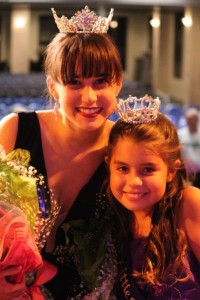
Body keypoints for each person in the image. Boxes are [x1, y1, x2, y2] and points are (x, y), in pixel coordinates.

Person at [0, 6, 123, 299]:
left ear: (117, 83)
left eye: (100, 82)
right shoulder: (15, 130)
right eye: (74, 83)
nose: (89, 97)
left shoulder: (125, 147)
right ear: (53, 87)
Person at [105, 96, 200, 299]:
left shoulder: (188, 205)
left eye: (148, 169)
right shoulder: (111, 219)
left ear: (171, 171)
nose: (134, 181)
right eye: (123, 168)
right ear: (109, 166)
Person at [178, 107, 200, 188]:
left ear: (197, 119)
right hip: (187, 172)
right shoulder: (180, 134)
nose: (189, 121)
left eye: (192, 119)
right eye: (188, 119)